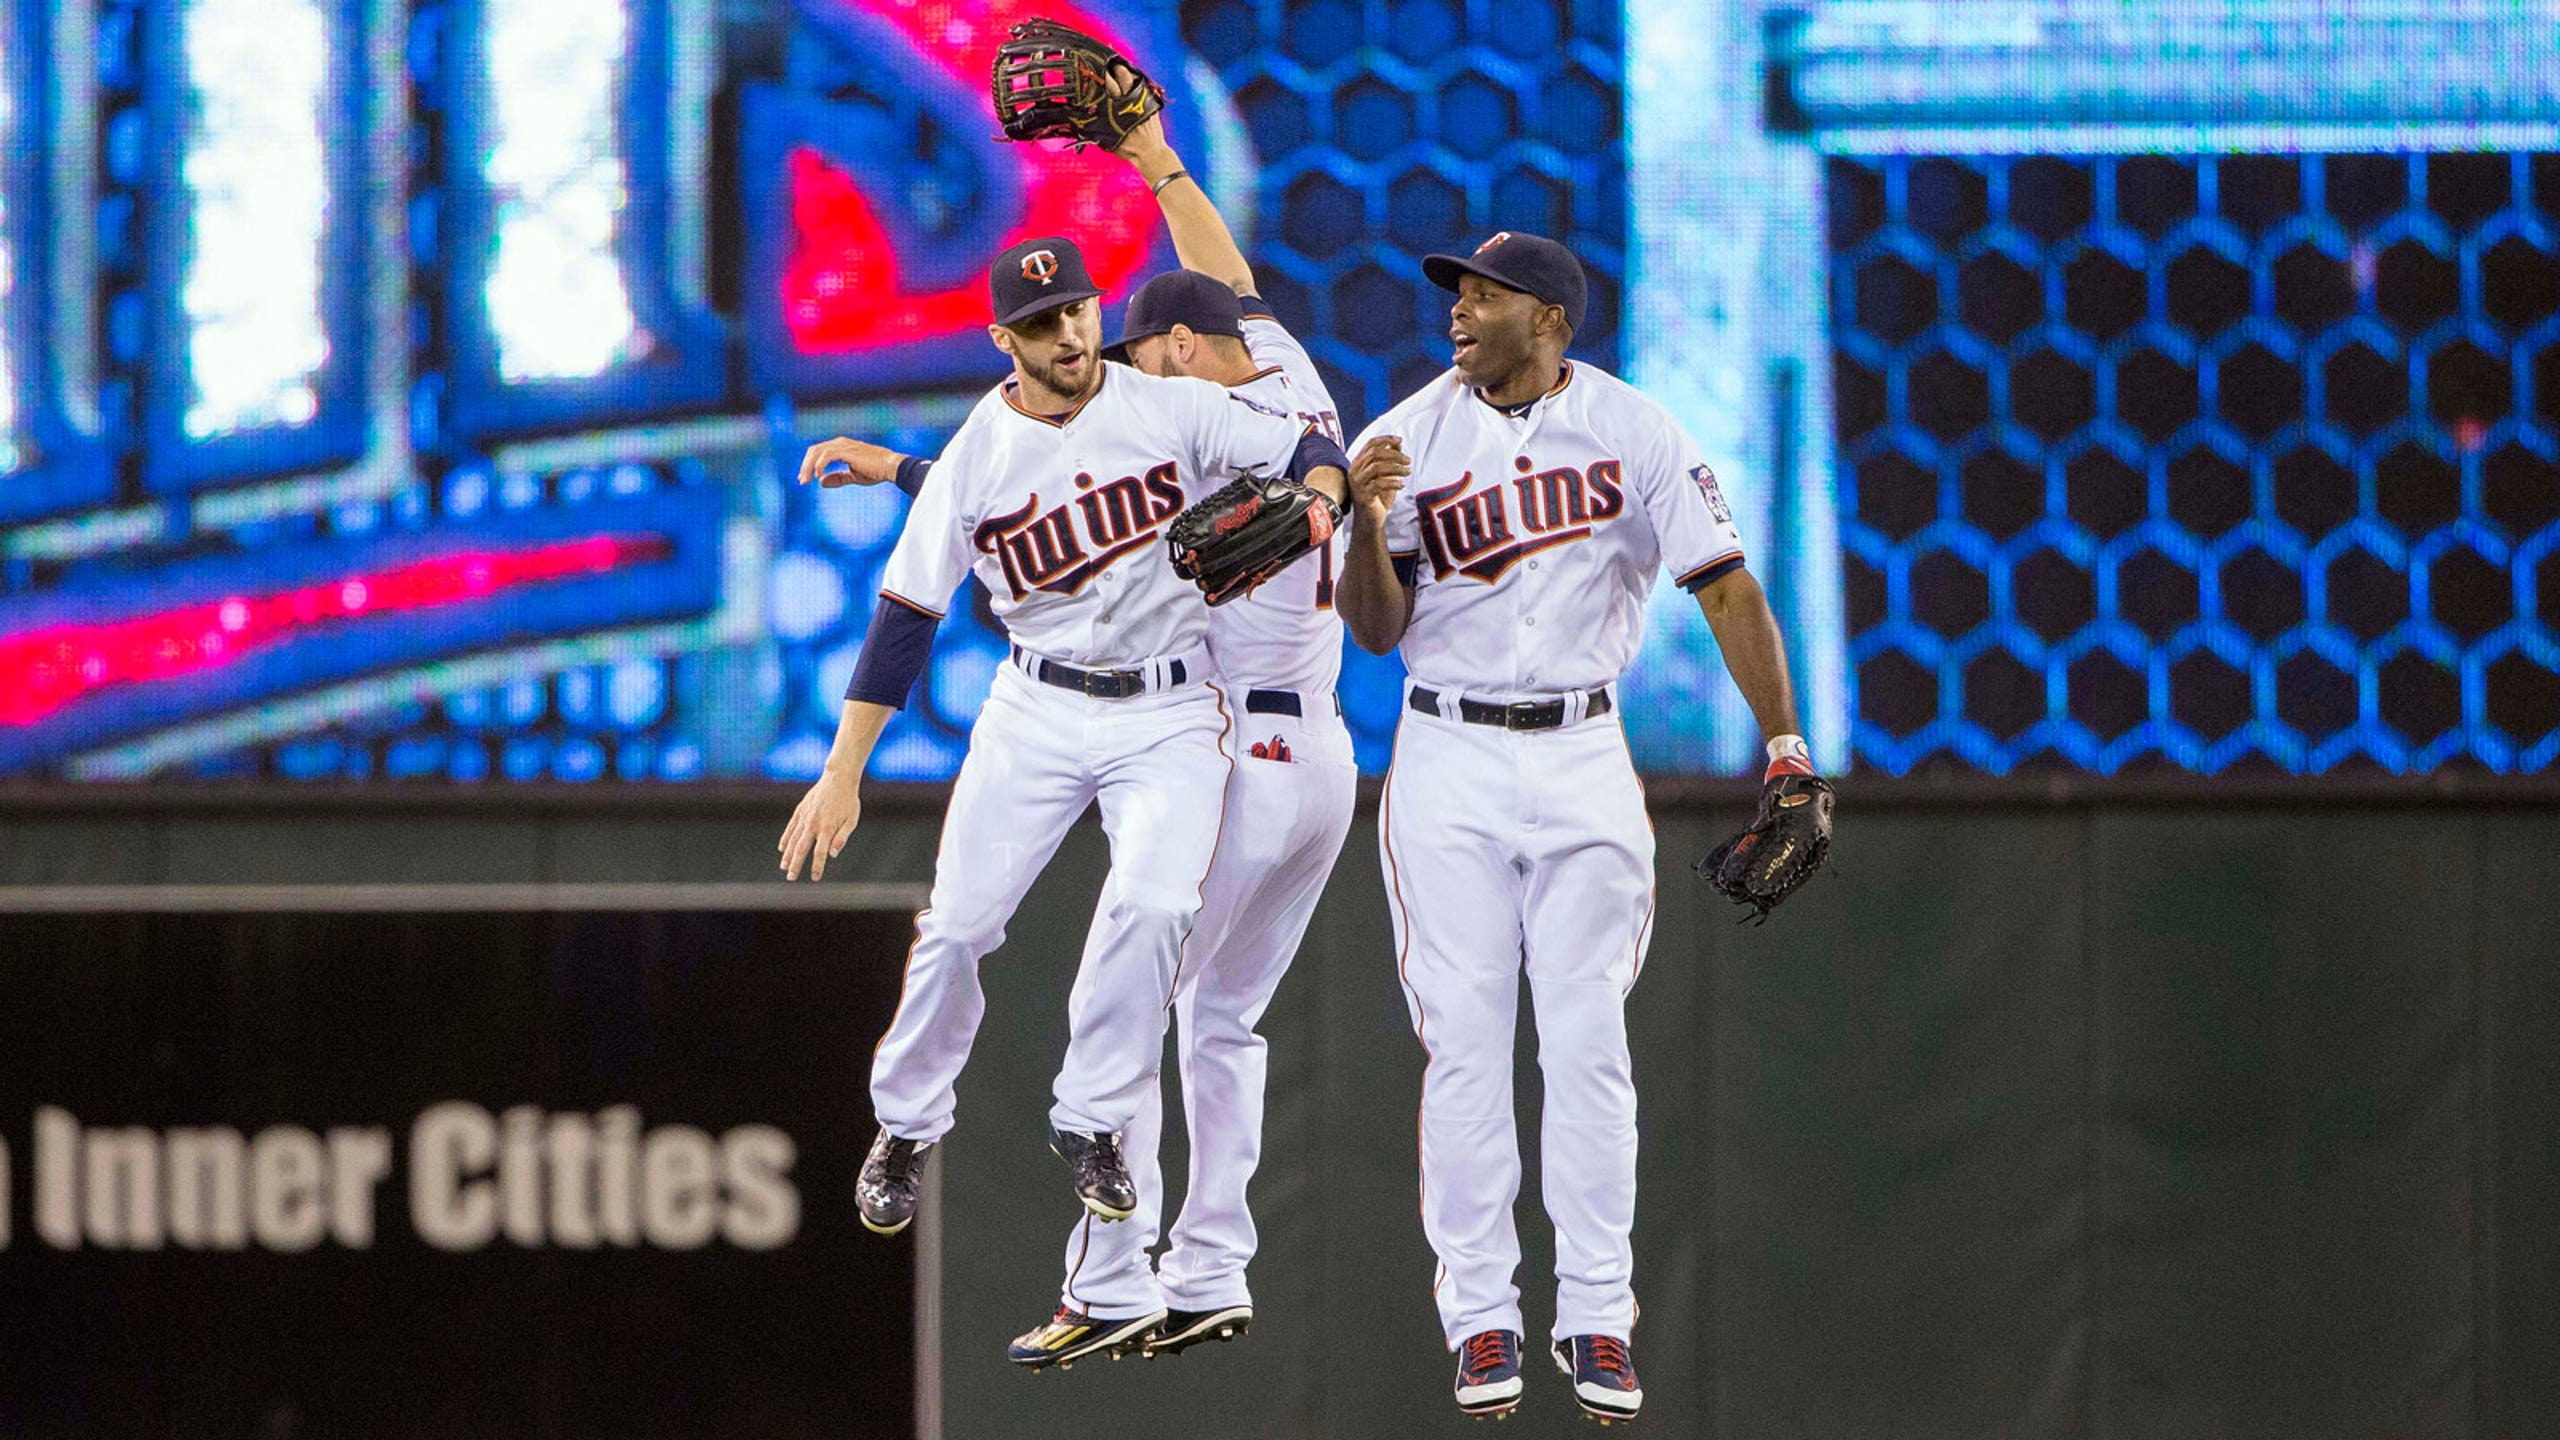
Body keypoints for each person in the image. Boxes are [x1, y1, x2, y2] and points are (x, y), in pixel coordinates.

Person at [796, 102, 1357, 1372]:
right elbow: (904, 613)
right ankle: (905, 1123)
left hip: (1175, 710)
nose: (1068, 332)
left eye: (1079, 311)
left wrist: (1319, 502)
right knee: (958, 926)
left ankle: (1093, 1128)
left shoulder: (1167, 403)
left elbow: (1308, 437)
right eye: (1041, 321)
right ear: (1003, 338)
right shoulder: (979, 457)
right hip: (1037, 708)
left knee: (1157, 913)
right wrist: (842, 769)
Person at [1333, 230, 1823, 1424]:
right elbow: (1374, 631)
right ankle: (1482, 1319)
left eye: (1485, 297)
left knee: (1586, 1038)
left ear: (1550, 319)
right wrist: (1363, 519)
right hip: (1444, 748)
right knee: (1462, 1038)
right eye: (1456, 294)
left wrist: (1787, 749)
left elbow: (1725, 585)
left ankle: (1597, 1318)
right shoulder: (1402, 437)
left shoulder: (1635, 429)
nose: (1458, 313)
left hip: (1582, 750)